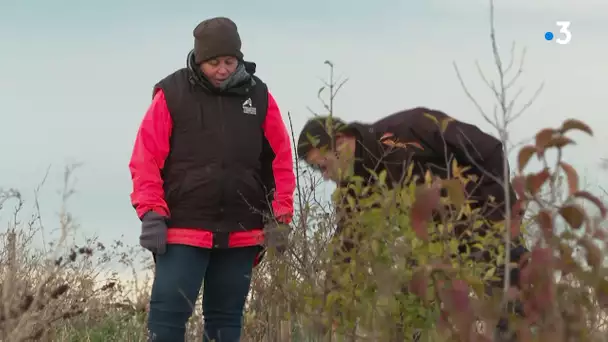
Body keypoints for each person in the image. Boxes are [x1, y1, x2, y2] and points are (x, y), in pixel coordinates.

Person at [129, 17, 296, 342]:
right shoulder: (172, 94)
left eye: (229, 61)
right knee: (167, 318)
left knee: (225, 322)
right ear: (199, 59)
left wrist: (281, 217)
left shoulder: (259, 97)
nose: (222, 69)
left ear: (239, 59)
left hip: (241, 232)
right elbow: (145, 157)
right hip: (182, 229)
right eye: (214, 62)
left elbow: (281, 161)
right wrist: (151, 213)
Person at [296, 107, 528, 340]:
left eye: (322, 166)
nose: (324, 176)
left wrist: (495, 221)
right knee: (408, 318)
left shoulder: (410, 128)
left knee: (513, 314)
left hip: (487, 228)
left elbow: (490, 150)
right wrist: (330, 311)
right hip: (434, 256)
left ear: (339, 141)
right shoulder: (353, 192)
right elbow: (345, 249)